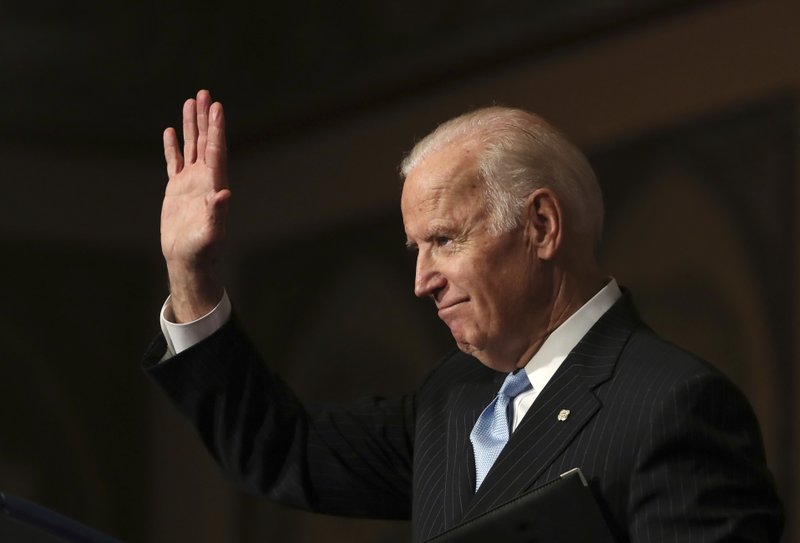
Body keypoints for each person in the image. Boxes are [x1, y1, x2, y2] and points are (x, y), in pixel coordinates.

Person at [144, 90, 784, 542]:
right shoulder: (450, 400)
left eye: (445, 240)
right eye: (415, 248)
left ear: (540, 225)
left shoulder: (672, 406)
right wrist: (191, 274)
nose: (421, 281)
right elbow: (282, 450)